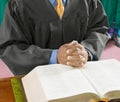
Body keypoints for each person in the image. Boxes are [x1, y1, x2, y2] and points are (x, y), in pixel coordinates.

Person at [0, 0, 109, 75]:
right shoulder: (19, 4)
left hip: (81, 74)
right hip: (41, 78)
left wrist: (86, 51)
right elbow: (11, 47)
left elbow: (99, 28)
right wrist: (54, 56)